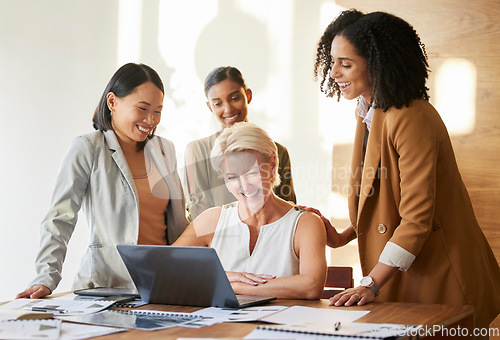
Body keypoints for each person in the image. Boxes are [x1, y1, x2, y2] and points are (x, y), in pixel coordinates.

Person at [312, 9, 500, 328]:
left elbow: (416, 219)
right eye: (333, 62)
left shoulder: (412, 117)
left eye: (345, 64)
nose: (334, 73)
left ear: (377, 63)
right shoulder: (368, 110)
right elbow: (377, 194)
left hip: (439, 271)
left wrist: (370, 284)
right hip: (404, 269)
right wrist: (344, 235)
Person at [17, 63, 187, 299]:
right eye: (142, 108)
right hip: (107, 286)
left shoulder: (164, 149)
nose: (150, 120)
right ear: (112, 102)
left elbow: (178, 224)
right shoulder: (87, 147)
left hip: (162, 285)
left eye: (157, 111)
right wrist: (47, 276)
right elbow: (60, 217)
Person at [175, 122, 326, 299]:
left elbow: (311, 286)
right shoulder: (212, 220)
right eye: (232, 177)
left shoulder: (305, 224)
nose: (244, 186)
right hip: (221, 326)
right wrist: (225, 277)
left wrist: (236, 287)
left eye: (252, 172)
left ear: (272, 166)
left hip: (281, 326)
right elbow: (165, 268)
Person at [184, 66, 296, 220]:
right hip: (217, 241)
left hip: (269, 239)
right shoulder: (198, 150)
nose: (228, 109)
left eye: (235, 98)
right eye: (218, 104)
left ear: (248, 95)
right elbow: (199, 216)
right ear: (210, 107)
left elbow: (287, 211)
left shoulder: (278, 151)